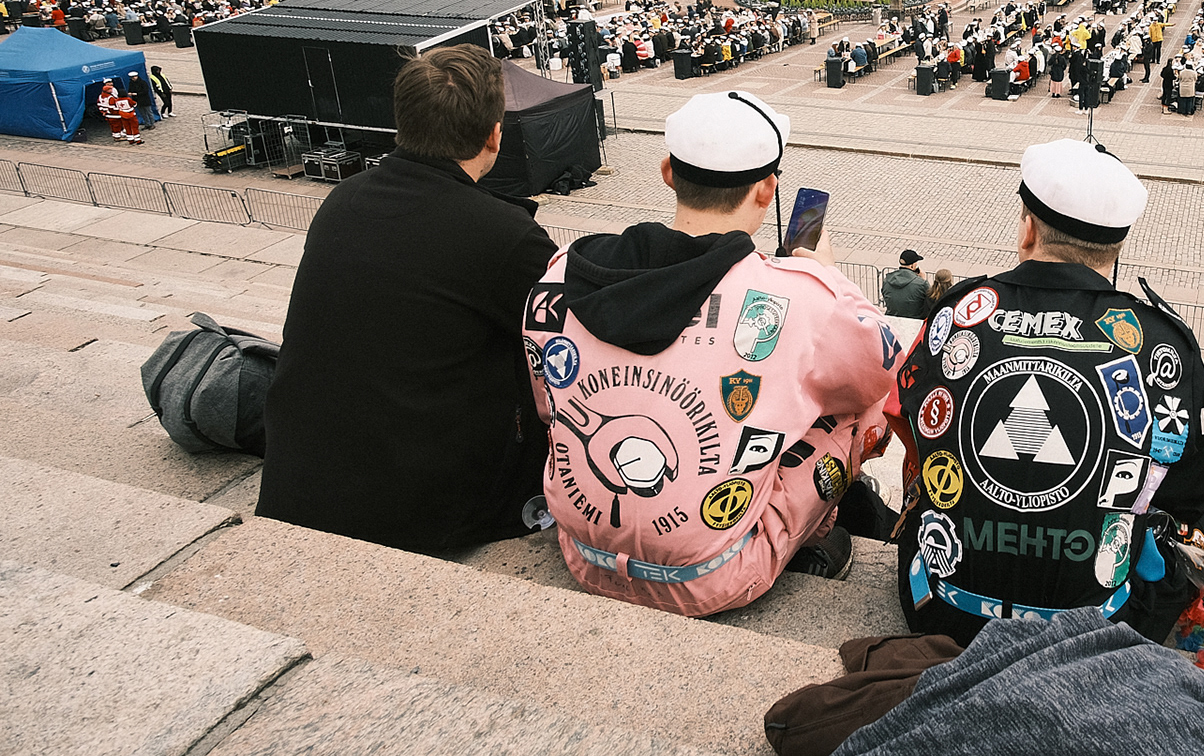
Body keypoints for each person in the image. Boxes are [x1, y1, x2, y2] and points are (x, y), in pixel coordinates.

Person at [523, 91, 900, 616]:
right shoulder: (802, 297)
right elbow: (878, 373)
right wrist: (830, 279)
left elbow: (549, 405)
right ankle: (818, 528)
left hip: (583, 552)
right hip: (714, 575)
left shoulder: (562, 272)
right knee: (859, 402)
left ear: (666, 173)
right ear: (768, 190)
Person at [890, 139, 1204, 646]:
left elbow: (909, 416)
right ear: (1118, 246)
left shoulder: (957, 312)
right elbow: (1185, 494)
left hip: (943, 612)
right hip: (1102, 627)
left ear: (1028, 228)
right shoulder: (1163, 339)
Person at [258, 45, 558, 551]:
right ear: (493, 134)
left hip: (301, 479)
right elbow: (570, 342)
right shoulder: (504, 235)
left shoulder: (342, 199)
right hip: (416, 508)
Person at [882, 249, 934, 319]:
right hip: (915, 321)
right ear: (912, 266)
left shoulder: (887, 281)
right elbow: (931, 299)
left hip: (892, 319)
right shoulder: (921, 284)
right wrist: (923, 279)